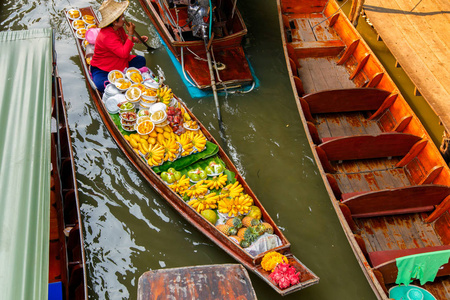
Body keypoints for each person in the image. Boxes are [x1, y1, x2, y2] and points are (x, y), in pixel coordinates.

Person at [90, 0, 149, 92]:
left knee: (141, 60)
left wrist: (136, 39)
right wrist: (131, 34)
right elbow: (124, 54)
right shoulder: (106, 36)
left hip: (119, 61)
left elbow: (122, 37)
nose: (124, 18)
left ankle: (124, 75)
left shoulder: (118, 28)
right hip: (104, 67)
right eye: (121, 17)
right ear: (114, 22)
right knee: (102, 85)